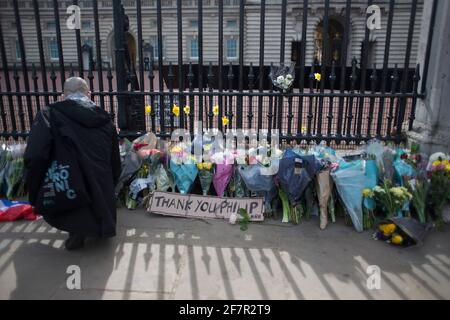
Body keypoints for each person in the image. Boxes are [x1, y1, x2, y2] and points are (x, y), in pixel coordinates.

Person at [24, 77, 121, 250]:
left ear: (63, 96)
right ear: (89, 94)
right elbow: (114, 159)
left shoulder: (49, 114)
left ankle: (77, 231)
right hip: (100, 180)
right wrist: (111, 181)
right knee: (95, 181)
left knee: (73, 178)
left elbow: (36, 154)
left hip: (68, 180)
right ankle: (99, 226)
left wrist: (33, 183)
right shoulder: (105, 119)